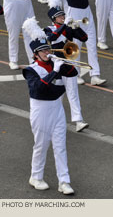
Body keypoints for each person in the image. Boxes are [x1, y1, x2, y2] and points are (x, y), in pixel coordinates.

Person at [22, 17, 77, 194]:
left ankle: (64, 181)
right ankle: (36, 176)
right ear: (35, 54)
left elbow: (74, 72)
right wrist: (54, 71)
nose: (46, 53)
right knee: (41, 145)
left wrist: (61, 60)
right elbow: (38, 88)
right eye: (42, 51)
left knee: (60, 146)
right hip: (41, 110)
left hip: (57, 108)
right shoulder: (31, 70)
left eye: (47, 49)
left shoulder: (55, 63)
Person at [44, 0, 89, 132]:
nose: (63, 17)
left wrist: (75, 26)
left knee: (73, 93)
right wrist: (64, 26)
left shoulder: (68, 27)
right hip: (56, 65)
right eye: (59, 16)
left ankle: (78, 121)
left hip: (68, 62)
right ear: (54, 19)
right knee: (56, 94)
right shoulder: (49, 29)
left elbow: (84, 38)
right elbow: (52, 38)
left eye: (63, 15)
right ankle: (52, 120)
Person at [61, 0, 107, 85]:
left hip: (87, 13)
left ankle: (95, 75)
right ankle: (75, 74)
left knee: (92, 44)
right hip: (74, 15)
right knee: (76, 46)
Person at [0, 0, 42, 70]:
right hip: (12, 3)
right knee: (13, 33)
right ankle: (13, 60)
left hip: (27, 3)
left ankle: (32, 60)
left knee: (30, 32)